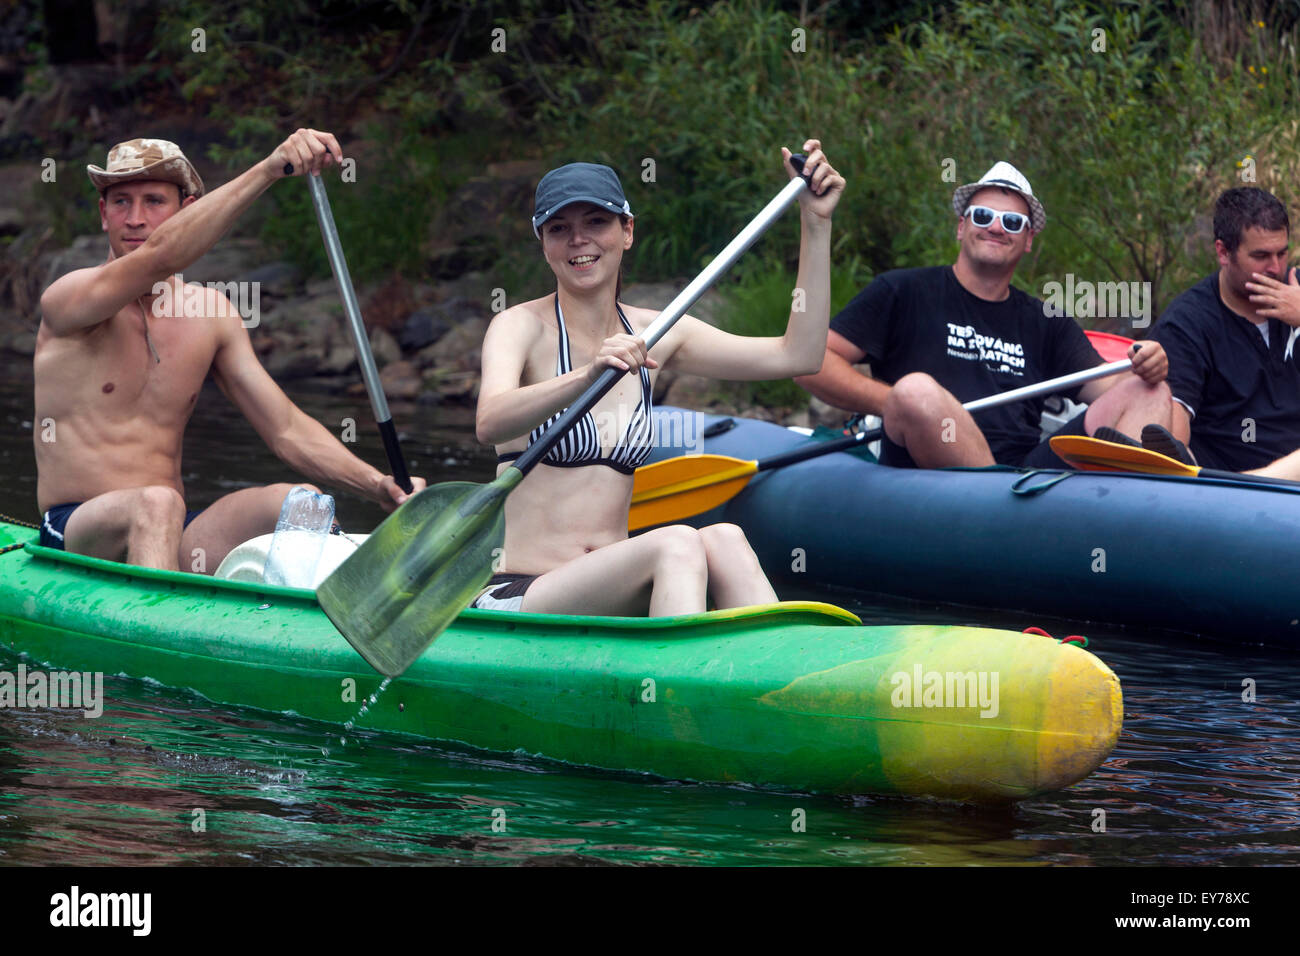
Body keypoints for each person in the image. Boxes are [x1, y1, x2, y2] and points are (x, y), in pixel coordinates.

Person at [473, 140, 844, 614]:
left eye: (596, 222)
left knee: (725, 538)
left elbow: (798, 355)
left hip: (612, 589)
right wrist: (587, 376)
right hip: (520, 590)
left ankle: (783, 677)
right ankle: (675, 687)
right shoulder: (519, 325)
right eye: (559, 228)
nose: (578, 240)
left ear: (627, 231)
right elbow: (490, 421)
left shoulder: (659, 332)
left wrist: (816, 224)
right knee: (675, 543)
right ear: (543, 244)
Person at [34, 131, 425, 571]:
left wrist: (378, 485)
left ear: (187, 211)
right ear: (103, 214)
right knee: (156, 503)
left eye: (154, 201)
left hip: (172, 530)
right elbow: (161, 258)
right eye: (121, 202)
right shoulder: (70, 300)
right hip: (75, 530)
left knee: (302, 503)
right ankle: (160, 635)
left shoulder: (211, 314)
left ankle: (321, 626)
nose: (136, 218)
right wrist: (270, 169)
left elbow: (286, 429)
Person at [794, 161, 1172, 469]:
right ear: (962, 226)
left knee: (1148, 390)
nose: (995, 227)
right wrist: (896, 403)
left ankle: (1132, 521)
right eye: (983, 215)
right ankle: (993, 514)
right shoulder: (903, 290)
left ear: (1027, 241)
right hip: (926, 469)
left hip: (1025, 475)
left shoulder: (1047, 322)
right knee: (916, 391)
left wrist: (1145, 365)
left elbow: (1111, 390)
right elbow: (810, 362)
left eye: (1012, 223)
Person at [1148, 186, 1300, 472]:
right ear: (1223, 252)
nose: (1275, 268)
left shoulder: (1297, 289)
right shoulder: (1187, 323)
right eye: (1261, 256)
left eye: (1283, 253)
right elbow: (1171, 443)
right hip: (1234, 492)